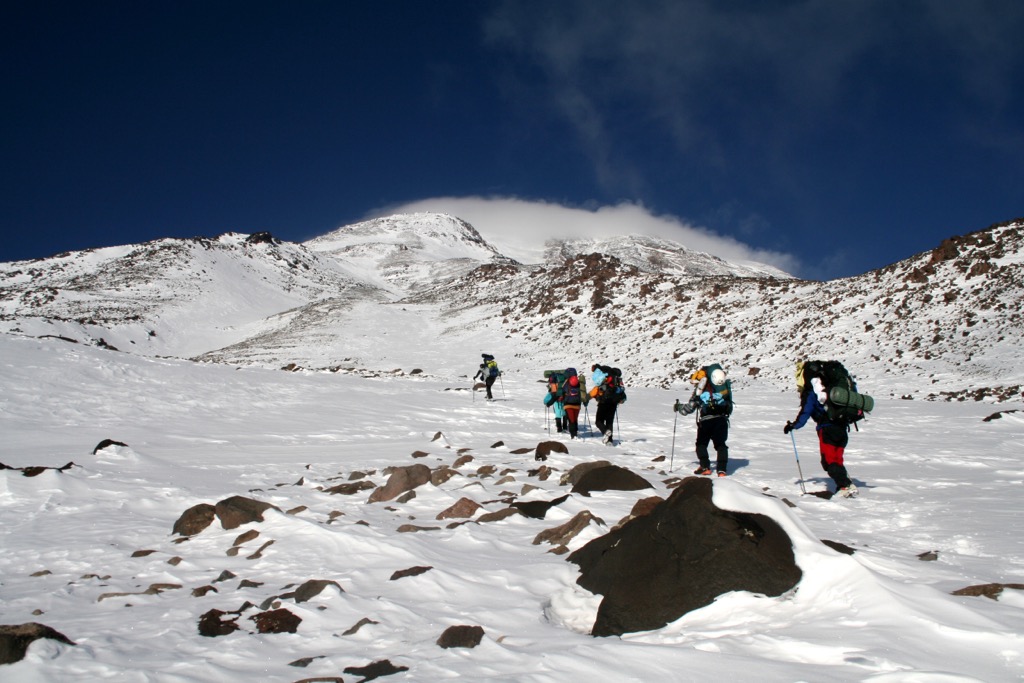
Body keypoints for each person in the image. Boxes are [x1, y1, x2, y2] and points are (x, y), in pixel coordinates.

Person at [784, 360, 857, 497]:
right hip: (842, 426)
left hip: (827, 429)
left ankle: (844, 486)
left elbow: (806, 412)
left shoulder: (813, 392)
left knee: (829, 461)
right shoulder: (831, 388)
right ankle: (844, 487)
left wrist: (794, 425)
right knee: (837, 459)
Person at [674, 364, 732, 476]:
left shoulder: (701, 388)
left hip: (706, 421)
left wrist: (678, 407)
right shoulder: (723, 387)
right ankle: (722, 470)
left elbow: (689, 408)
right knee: (721, 445)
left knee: (701, 444)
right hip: (721, 420)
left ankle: (705, 467)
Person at [589, 364, 622, 445]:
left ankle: (605, 432)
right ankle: (610, 441)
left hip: (603, 402)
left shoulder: (605, 378)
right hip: (613, 403)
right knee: (609, 422)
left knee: (598, 421)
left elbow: (594, 392)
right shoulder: (617, 382)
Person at [560, 368, 586, 439]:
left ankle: (573, 435)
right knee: (575, 419)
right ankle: (575, 433)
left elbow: (563, 391)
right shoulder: (579, 382)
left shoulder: (566, 382)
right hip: (577, 404)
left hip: (568, 404)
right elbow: (582, 392)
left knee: (571, 420)